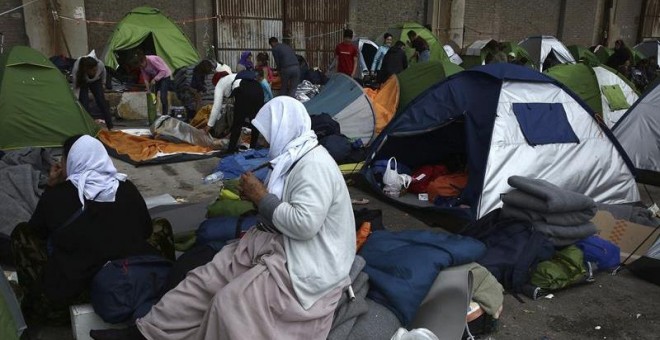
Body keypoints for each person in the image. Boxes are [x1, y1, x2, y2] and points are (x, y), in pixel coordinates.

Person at [90, 96, 356, 340]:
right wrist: (257, 199)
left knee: (229, 303)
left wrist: (261, 197)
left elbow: (304, 225)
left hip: (308, 260)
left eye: (265, 135)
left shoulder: (314, 166)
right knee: (201, 280)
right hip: (279, 242)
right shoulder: (292, 158)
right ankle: (145, 334)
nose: (261, 142)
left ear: (283, 129)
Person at [11, 135, 172, 324]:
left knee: (22, 234)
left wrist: (51, 186)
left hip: (73, 293)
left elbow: (36, 232)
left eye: (62, 159)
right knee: (159, 224)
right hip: (131, 282)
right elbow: (145, 230)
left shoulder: (57, 195)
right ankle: (169, 285)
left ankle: (36, 306)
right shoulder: (126, 187)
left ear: (71, 161)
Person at [225, 71, 265, 153]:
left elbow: (230, 95)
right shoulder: (258, 84)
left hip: (243, 101)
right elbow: (262, 97)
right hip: (257, 102)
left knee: (237, 124)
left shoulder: (239, 82)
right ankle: (253, 147)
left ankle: (231, 149)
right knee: (255, 124)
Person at [72, 56, 113, 129]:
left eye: (96, 69)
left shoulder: (100, 65)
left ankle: (110, 126)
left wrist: (103, 83)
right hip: (83, 82)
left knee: (101, 101)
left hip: (96, 81)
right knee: (84, 104)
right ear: (86, 70)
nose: (95, 71)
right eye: (93, 70)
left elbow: (104, 72)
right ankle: (87, 127)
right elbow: (75, 86)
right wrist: (76, 97)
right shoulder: (77, 69)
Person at [130, 51, 173, 116]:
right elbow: (145, 77)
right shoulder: (141, 66)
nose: (141, 66)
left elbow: (163, 71)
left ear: (144, 59)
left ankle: (165, 115)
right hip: (156, 77)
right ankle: (153, 115)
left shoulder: (152, 60)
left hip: (165, 76)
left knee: (163, 96)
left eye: (141, 63)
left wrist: (155, 79)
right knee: (152, 96)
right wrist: (148, 89)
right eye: (139, 65)